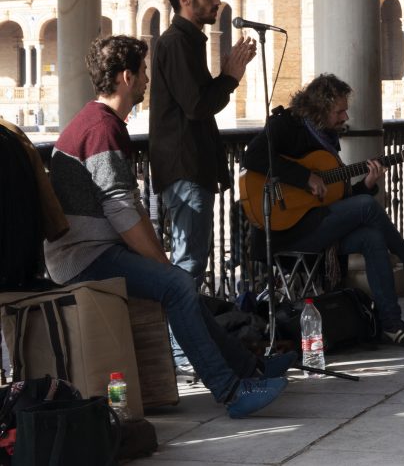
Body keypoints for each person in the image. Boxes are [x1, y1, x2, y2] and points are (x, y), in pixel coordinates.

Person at [45, 36, 289, 419]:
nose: (147, 79)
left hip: (94, 249)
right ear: (126, 77)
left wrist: (160, 261)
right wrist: (160, 262)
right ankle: (231, 390)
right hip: (83, 258)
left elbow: (127, 207)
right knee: (176, 283)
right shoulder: (100, 129)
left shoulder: (100, 123)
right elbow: (122, 211)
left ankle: (246, 368)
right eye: (142, 72)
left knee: (179, 283)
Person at [243, 74, 404, 350]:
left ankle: (391, 324)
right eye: (339, 110)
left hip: (315, 225)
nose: (345, 116)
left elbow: (336, 201)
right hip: (284, 231)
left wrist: (367, 185)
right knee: (368, 207)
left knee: (371, 236)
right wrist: (303, 177)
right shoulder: (287, 125)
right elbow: (252, 157)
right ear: (319, 109)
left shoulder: (327, 141)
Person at [150, 0, 257, 284]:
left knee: (193, 260)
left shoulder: (187, 42)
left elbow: (200, 101)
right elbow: (198, 106)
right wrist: (229, 78)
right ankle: (179, 335)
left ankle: (186, 332)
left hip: (191, 168)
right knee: (189, 264)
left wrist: (227, 78)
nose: (217, 0)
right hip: (185, 170)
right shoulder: (175, 44)